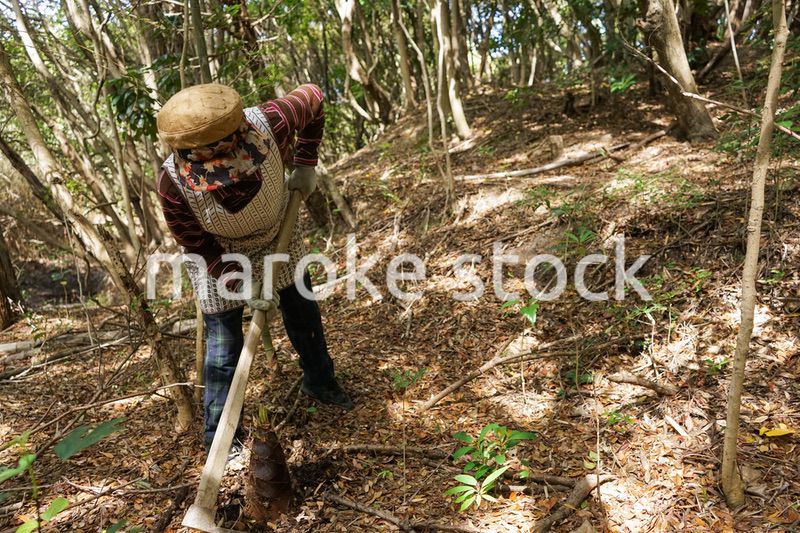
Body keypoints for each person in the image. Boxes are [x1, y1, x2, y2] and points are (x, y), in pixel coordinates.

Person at [155, 83, 353, 452]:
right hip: (219, 255)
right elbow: (197, 245)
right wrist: (238, 284)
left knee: (303, 314)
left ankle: (321, 382)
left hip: (279, 232)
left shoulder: (272, 122)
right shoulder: (172, 184)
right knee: (223, 349)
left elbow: (314, 96)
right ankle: (221, 437)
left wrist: (306, 164)